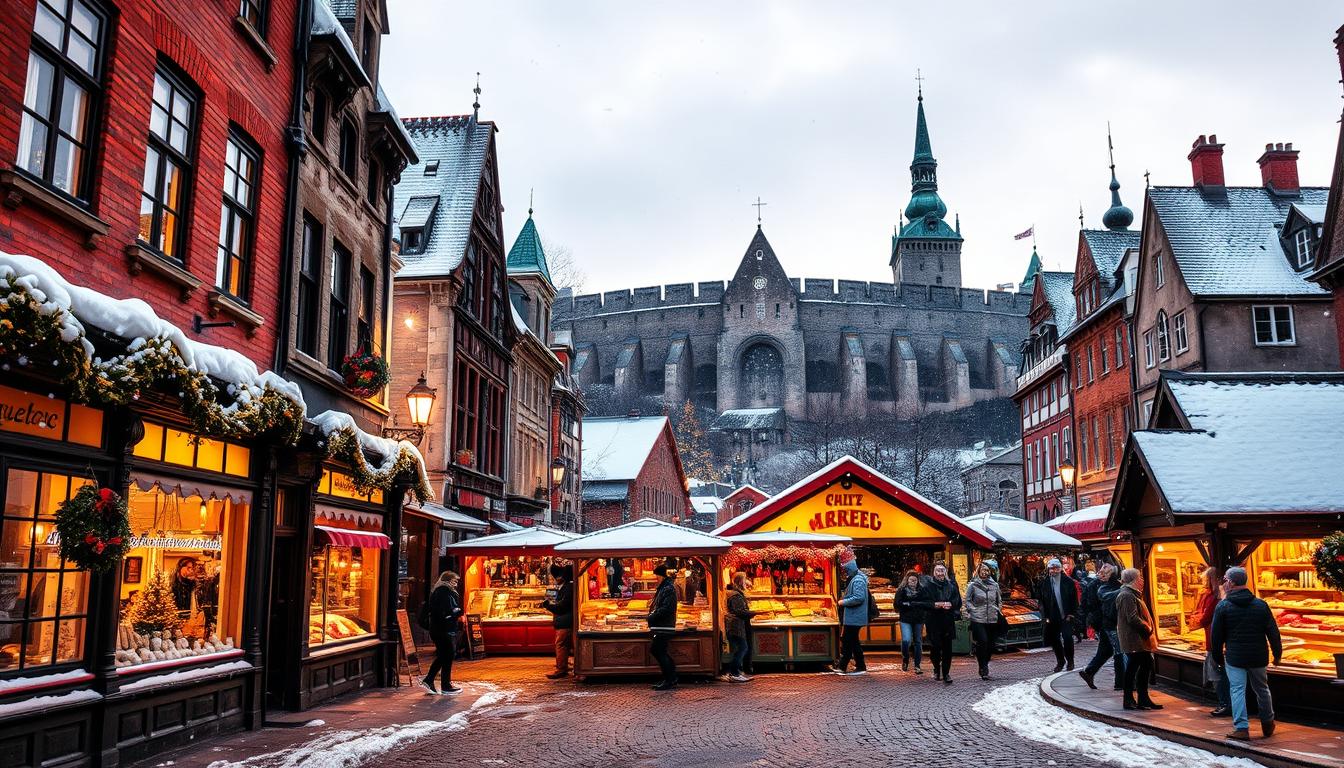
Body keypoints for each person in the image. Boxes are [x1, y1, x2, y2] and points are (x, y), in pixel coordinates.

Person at [1210, 566, 1281, 741]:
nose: (1224, 583)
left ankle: (1241, 728)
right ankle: (1268, 722)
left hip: (1235, 657)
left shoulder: (1223, 606)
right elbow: (1273, 631)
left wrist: (1217, 657)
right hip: (1258, 655)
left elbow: (1216, 636)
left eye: (1225, 580)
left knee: (1237, 690)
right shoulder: (1261, 605)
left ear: (1231, 583)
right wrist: (1277, 653)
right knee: (1262, 689)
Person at [1115, 567, 1162, 710]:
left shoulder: (1132, 594)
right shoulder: (1127, 595)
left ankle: (1142, 698)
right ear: (1134, 580)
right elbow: (1132, 618)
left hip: (1137, 639)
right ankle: (1131, 699)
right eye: (1140, 577)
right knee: (1136, 667)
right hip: (1134, 639)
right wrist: (1147, 629)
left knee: (1142, 665)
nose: (1142, 580)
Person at [1079, 563, 1124, 690]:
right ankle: (1120, 682)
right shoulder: (1103, 586)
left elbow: (1086, 604)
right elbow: (1099, 603)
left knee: (1106, 650)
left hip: (1103, 622)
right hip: (1108, 622)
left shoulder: (1097, 584)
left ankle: (1089, 671)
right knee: (1119, 652)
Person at [1194, 567, 1232, 717]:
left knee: (1217, 674)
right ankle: (1226, 703)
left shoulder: (1214, 597)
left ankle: (1224, 704)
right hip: (1222, 642)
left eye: (1205, 579)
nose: (1204, 582)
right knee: (1223, 673)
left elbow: (1205, 618)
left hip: (1214, 641)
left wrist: (1197, 621)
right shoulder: (1220, 596)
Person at [421, 570, 464, 695]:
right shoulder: (444, 591)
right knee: (448, 655)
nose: (456, 584)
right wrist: (458, 612)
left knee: (444, 655)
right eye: (454, 581)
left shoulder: (440, 591)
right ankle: (445, 685)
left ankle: (431, 680)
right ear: (448, 581)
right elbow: (447, 611)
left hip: (440, 628)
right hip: (444, 629)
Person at [1033, 558, 1078, 672]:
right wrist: (1045, 615)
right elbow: (1041, 599)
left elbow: (1074, 599)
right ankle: (1060, 661)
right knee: (1054, 639)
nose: (1054, 570)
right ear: (1048, 569)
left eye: (1056, 568)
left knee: (1067, 637)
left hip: (1066, 615)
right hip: (1052, 616)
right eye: (1052, 568)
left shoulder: (1068, 582)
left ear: (1060, 569)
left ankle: (1070, 661)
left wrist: (1071, 613)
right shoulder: (1045, 583)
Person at [923, 563, 962, 685]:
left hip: (947, 620)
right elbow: (923, 602)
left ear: (945, 572)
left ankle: (946, 673)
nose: (940, 573)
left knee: (947, 648)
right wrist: (934, 605)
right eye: (938, 570)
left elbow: (958, 601)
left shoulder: (951, 585)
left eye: (942, 570)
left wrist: (951, 604)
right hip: (933, 620)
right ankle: (936, 667)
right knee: (935, 647)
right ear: (934, 572)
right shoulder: (928, 586)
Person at [964, 562, 1002, 680]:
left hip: (992, 618)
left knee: (991, 644)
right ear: (979, 571)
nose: (985, 572)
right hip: (978, 618)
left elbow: (999, 600)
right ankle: (983, 667)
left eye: (987, 570)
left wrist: (998, 609)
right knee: (983, 641)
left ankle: (985, 662)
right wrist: (973, 609)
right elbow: (967, 600)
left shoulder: (994, 585)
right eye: (983, 570)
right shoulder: (973, 585)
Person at [834, 557, 869, 675]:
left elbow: (859, 598)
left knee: (849, 641)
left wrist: (843, 602)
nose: (845, 573)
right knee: (852, 641)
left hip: (854, 617)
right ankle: (857, 665)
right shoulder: (857, 578)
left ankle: (846, 666)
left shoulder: (857, 580)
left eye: (846, 570)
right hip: (854, 617)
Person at [647, 562, 679, 690]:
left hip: (664, 626)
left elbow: (667, 608)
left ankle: (669, 679)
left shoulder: (668, 588)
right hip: (661, 626)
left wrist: (651, 617)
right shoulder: (664, 587)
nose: (655, 579)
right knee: (660, 651)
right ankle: (671, 677)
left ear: (660, 576)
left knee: (657, 650)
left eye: (656, 576)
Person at [541, 563, 574, 680]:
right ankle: (563, 665)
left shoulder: (568, 588)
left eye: (559, 576)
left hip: (565, 622)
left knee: (561, 645)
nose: (557, 579)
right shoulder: (568, 587)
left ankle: (561, 669)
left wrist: (548, 605)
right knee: (564, 645)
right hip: (566, 621)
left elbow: (562, 607)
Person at [724, 571, 757, 682]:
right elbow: (740, 612)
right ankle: (734, 673)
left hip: (735, 625)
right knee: (743, 648)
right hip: (736, 626)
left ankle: (736, 672)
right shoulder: (736, 595)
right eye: (744, 580)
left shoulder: (734, 593)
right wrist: (754, 613)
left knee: (741, 648)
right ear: (740, 582)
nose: (746, 583)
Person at [895, 571, 926, 674]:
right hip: (905, 619)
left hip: (919, 619)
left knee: (918, 641)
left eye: (915, 580)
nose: (913, 582)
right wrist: (908, 604)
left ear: (918, 581)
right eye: (911, 580)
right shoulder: (901, 590)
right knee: (906, 640)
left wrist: (915, 604)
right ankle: (905, 658)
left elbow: (925, 603)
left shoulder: (922, 590)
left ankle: (917, 665)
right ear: (907, 580)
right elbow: (897, 604)